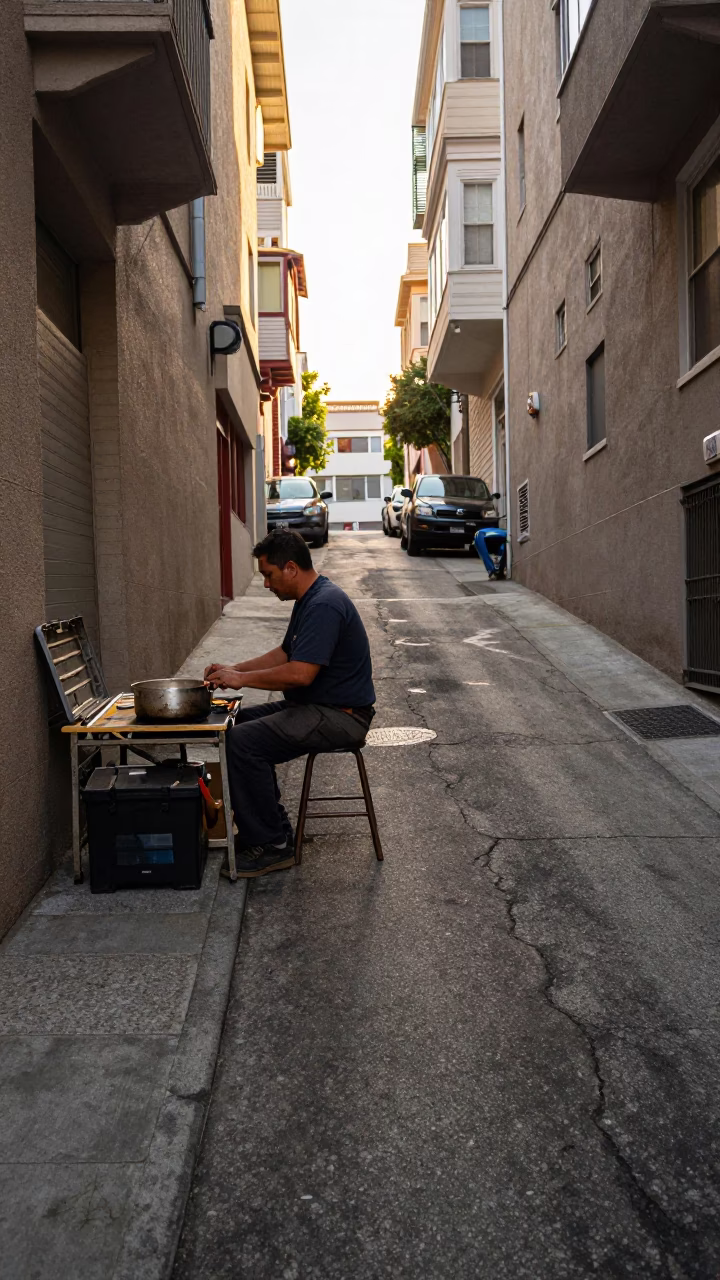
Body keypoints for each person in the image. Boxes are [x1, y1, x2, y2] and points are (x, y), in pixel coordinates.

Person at [204, 530, 376, 878]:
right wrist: (234, 668)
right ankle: (273, 829)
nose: (266, 584)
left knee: (242, 742)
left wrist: (241, 680)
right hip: (318, 708)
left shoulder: (324, 604)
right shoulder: (309, 599)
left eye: (268, 575)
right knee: (233, 726)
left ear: (292, 568)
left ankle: (273, 846)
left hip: (341, 716)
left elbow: (299, 674)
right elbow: (285, 653)